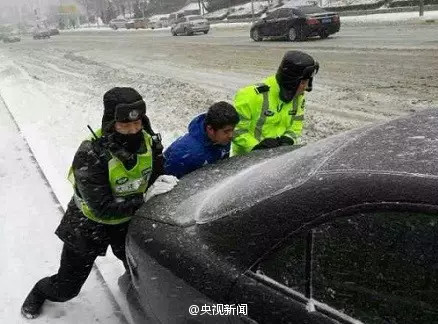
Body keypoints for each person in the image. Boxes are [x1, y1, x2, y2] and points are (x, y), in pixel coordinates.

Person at [21, 87, 178, 319]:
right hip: (87, 226)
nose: (133, 130)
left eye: (137, 124)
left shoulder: (150, 142)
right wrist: (144, 199)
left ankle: (138, 296)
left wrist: (161, 182)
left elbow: (154, 175)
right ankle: (38, 293)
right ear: (110, 123)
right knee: (66, 288)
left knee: (140, 269)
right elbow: (101, 207)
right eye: (124, 125)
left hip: (126, 223)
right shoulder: (90, 153)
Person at [231, 50, 319, 156]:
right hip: (246, 160)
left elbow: (296, 124)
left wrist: (288, 140)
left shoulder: (297, 96)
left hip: (277, 159)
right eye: (303, 82)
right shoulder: (250, 96)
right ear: (291, 82)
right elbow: (235, 130)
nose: (306, 87)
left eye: (308, 82)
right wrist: (255, 146)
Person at [164, 101, 239, 178]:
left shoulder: (222, 139)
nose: (231, 135)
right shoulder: (185, 154)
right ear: (210, 129)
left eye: (232, 129)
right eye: (226, 131)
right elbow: (167, 183)